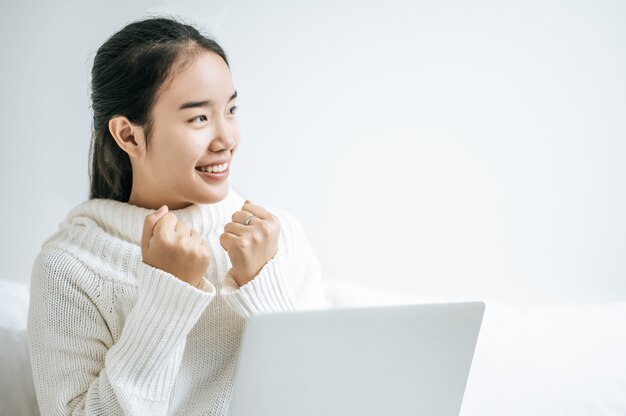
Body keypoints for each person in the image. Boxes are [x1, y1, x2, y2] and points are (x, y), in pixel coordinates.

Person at [27, 16, 329, 415]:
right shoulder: (70, 267)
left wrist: (263, 286)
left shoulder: (277, 237)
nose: (227, 139)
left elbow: (321, 398)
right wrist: (166, 295)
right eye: (199, 118)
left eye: (231, 109)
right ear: (129, 136)